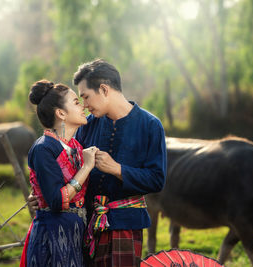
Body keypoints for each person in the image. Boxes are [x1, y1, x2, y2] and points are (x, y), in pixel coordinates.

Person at [28, 59, 167, 267]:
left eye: (85, 97)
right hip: (86, 225)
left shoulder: (150, 126)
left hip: (125, 226)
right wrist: (44, 193)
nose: (84, 105)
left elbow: (157, 180)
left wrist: (117, 169)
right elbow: (68, 169)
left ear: (103, 89)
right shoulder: (87, 125)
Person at [20, 80, 98, 267]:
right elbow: (56, 201)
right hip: (53, 234)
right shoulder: (43, 149)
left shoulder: (77, 147)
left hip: (77, 232)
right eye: (76, 102)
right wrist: (86, 168)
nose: (82, 106)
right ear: (61, 113)